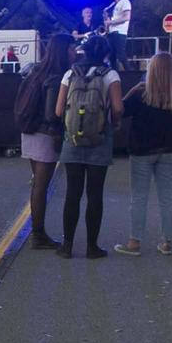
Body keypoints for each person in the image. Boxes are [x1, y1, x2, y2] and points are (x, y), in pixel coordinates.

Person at [53, 33, 125, 258]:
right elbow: (118, 107)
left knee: (72, 194)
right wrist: (116, 121)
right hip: (100, 140)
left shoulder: (70, 73)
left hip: (72, 140)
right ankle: (92, 247)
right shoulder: (110, 74)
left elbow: (57, 110)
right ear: (105, 53)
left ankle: (67, 246)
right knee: (95, 194)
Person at [116, 52, 172, 256]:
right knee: (166, 196)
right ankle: (166, 241)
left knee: (139, 196)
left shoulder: (141, 93)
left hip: (142, 149)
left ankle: (134, 242)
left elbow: (121, 110)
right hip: (169, 150)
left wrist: (130, 91)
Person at [19, 32, 72, 248]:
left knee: (37, 183)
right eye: (71, 48)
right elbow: (52, 114)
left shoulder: (36, 71)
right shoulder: (56, 76)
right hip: (45, 133)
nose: (74, 51)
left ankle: (38, 232)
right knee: (42, 185)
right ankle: (38, 234)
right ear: (63, 50)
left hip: (29, 130)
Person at [103, 0, 132, 67]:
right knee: (112, 57)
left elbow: (127, 17)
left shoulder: (125, 2)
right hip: (111, 33)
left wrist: (110, 22)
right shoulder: (113, 4)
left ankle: (130, 72)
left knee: (121, 56)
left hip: (119, 33)